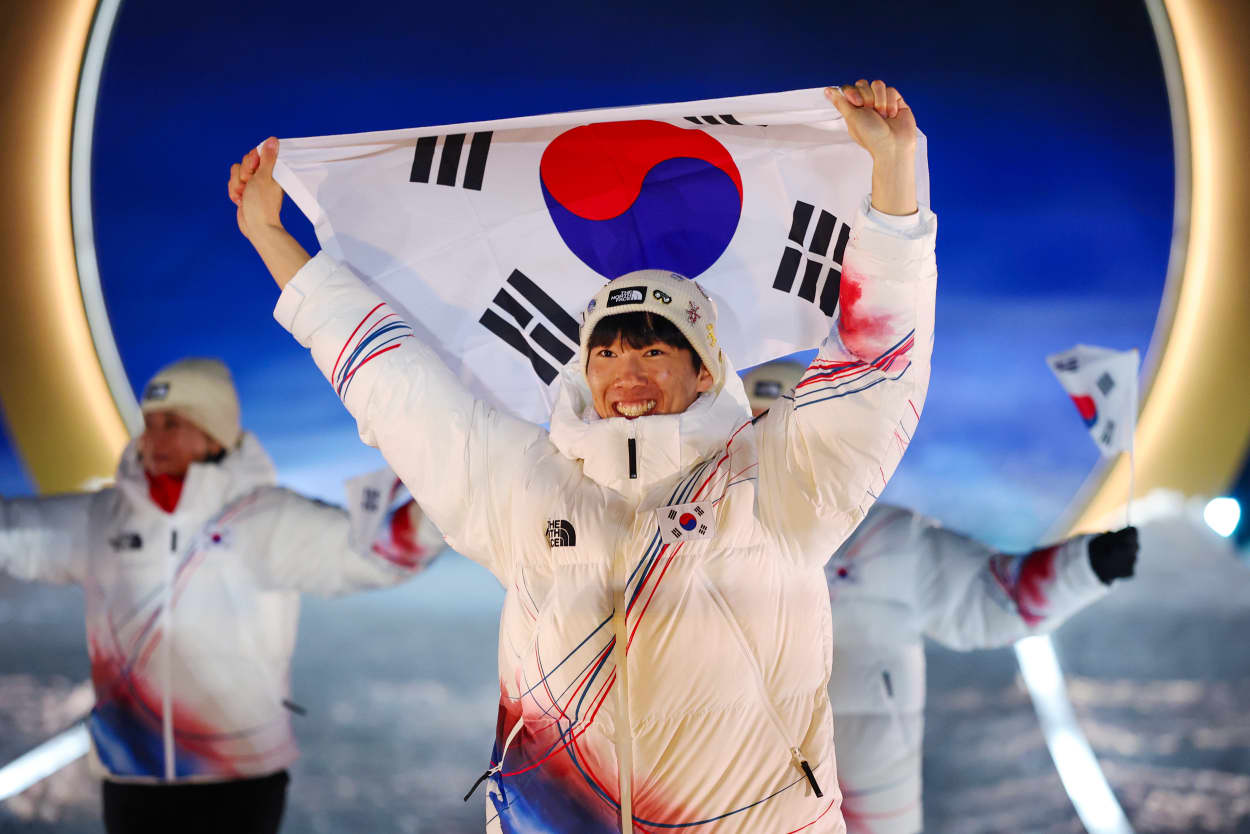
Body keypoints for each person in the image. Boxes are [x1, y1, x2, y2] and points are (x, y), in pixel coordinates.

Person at [228, 80, 936, 834]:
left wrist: (894, 178)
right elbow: (396, 386)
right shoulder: (527, 488)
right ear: (584, 370)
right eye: (606, 351)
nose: (626, 370)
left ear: (705, 371)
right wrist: (273, 238)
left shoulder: (773, 481)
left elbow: (873, 371)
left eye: (656, 349)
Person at [0, 358, 444, 834]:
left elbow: (371, 555)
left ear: (214, 434)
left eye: (173, 424)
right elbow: (16, 533)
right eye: (150, 424)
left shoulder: (262, 518)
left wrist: (449, 499)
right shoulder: (105, 517)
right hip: (131, 775)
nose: (154, 438)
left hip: (238, 779)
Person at [743, 359, 1139, 834]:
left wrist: (1088, 563)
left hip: (871, 809)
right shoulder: (690, 549)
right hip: (738, 804)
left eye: (789, 433)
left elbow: (992, 598)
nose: (772, 452)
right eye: (756, 432)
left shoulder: (885, 538)